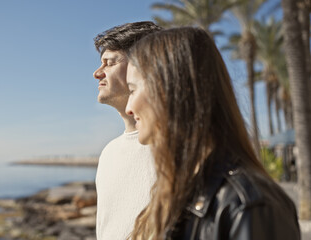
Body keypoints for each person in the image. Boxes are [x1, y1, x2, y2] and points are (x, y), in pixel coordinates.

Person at [125, 27, 300, 240]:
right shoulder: (174, 192)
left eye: (132, 90)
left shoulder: (248, 205)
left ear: (166, 89)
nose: (129, 108)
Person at [92, 21, 162, 240]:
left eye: (109, 63)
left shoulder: (182, 150)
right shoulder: (108, 154)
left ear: (142, 67)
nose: (97, 73)